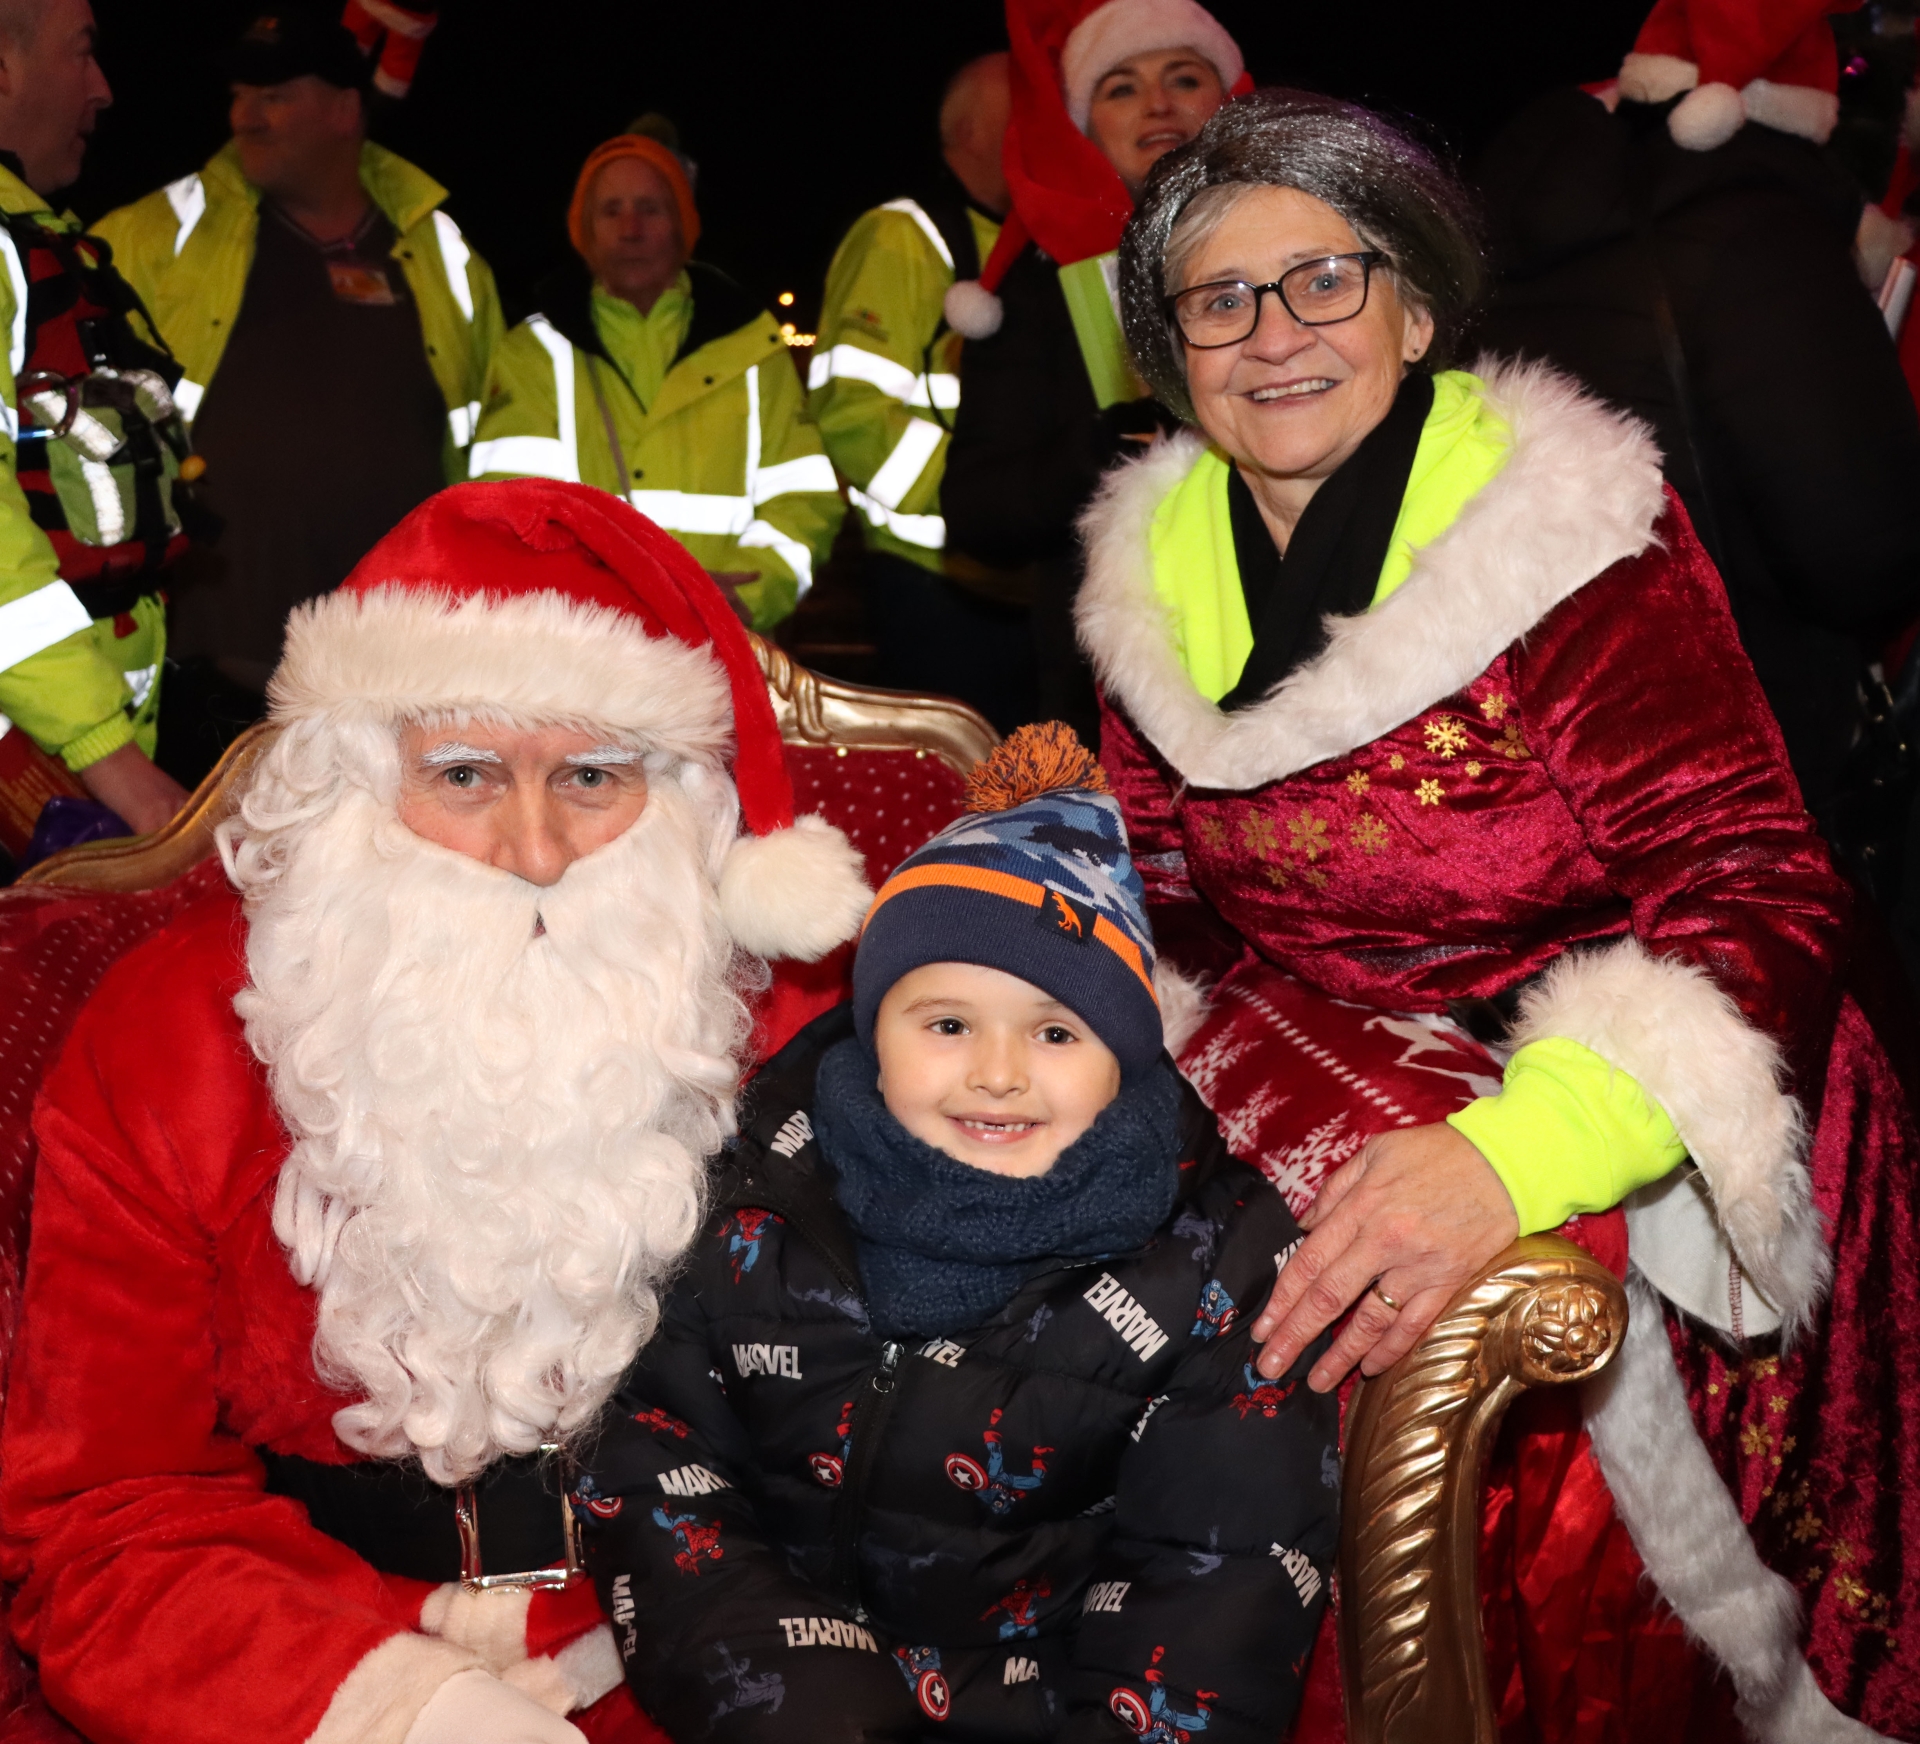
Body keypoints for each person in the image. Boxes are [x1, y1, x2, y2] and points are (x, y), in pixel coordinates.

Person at [1077, 88, 1920, 1737]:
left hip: (1671, 1143)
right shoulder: (1149, 578)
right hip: (1356, 1120)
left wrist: (1519, 1148)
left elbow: (1754, 878)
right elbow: (1168, 898)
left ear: (1412, 299)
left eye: (1327, 277)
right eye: (1220, 299)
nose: (1277, 333)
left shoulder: (1567, 539)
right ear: (1170, 352)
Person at [0, 481, 874, 1744]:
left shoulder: (803, 1021)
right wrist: (402, 1712)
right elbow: (103, 1505)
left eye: (590, 776)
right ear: (354, 781)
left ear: (684, 801)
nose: (532, 849)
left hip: (724, 1648)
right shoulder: (169, 1036)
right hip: (308, 1657)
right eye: (462, 774)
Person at [571, 724, 1336, 1741]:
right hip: (776, 1697)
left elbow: (1215, 1592)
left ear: (1128, 1055)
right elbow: (656, 1458)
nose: (999, 1072)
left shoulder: (1217, 1264)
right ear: (873, 1024)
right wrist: (804, 1707)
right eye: (946, 1023)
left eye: (1057, 1031)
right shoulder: (757, 1176)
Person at [1472, 0, 1920, 875]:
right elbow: (1861, 550)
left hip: (1554, 736)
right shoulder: (1758, 229)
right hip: (1748, 740)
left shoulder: (1523, 219)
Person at [93, 3, 503, 782]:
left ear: (347, 109)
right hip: (214, 688)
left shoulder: (443, 254)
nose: (245, 114)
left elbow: (498, 446)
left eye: (275, 93)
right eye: (241, 93)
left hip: (403, 689)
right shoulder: (154, 236)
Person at [940, 0, 1246, 744]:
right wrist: (1095, 452)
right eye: (1121, 87)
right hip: (1110, 699)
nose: (1158, 103)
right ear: (1085, 126)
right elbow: (978, 510)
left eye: (1184, 77)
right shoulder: (1039, 291)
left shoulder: (1306, 253)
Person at [470, 126, 840, 634]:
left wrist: (753, 591)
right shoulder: (532, 353)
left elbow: (805, 498)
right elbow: (503, 509)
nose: (630, 228)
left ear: (684, 226)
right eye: (611, 210)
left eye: (650, 208)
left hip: (724, 649)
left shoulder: (755, 348)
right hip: (582, 656)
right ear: (585, 230)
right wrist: (608, 604)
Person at [0, 0, 191, 838]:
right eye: (82, 53)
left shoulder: (36, 242)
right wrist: (119, 770)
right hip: (51, 776)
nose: (103, 89)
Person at [809, 52, 1033, 730]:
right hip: (936, 584)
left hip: (1032, 578)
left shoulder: (1040, 246)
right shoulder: (902, 238)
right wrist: (982, 502)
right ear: (968, 132)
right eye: (1020, 114)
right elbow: (853, 410)